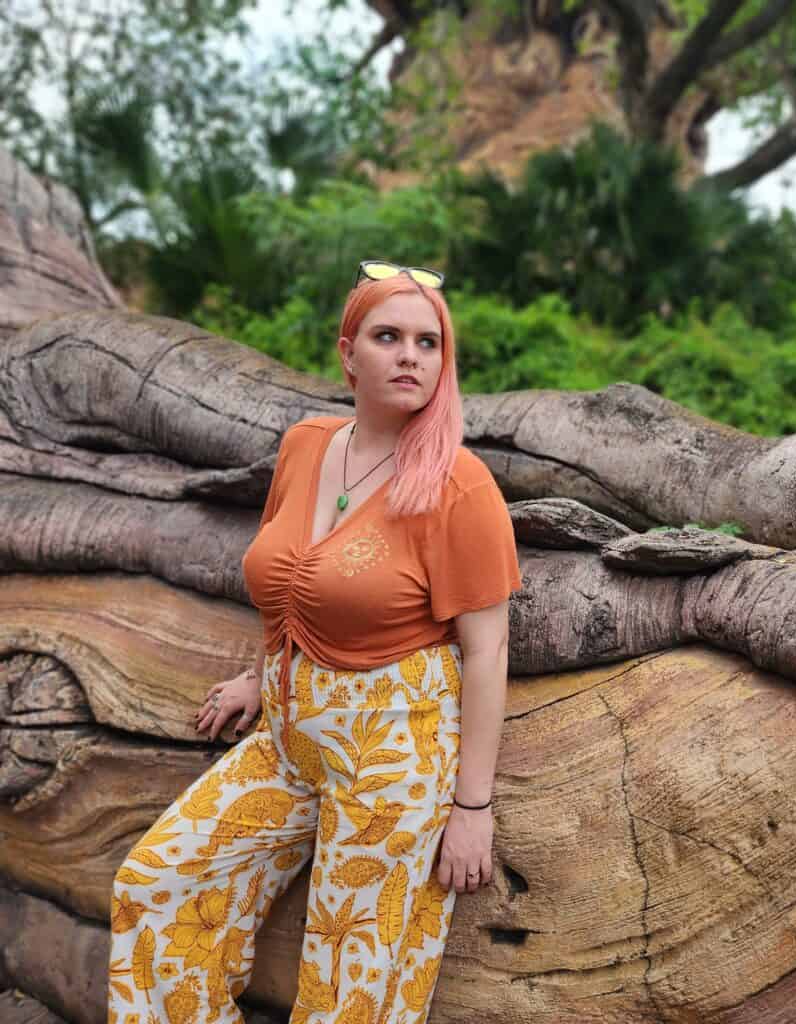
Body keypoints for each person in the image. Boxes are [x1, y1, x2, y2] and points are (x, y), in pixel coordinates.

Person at [106, 260, 523, 1024]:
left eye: (428, 343)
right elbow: (289, 582)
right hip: (289, 733)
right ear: (347, 353)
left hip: (393, 748)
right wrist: (258, 676)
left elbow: (488, 650)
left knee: (344, 990)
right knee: (158, 887)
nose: (409, 356)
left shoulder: (458, 487)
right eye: (388, 336)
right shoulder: (306, 445)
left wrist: (472, 807)